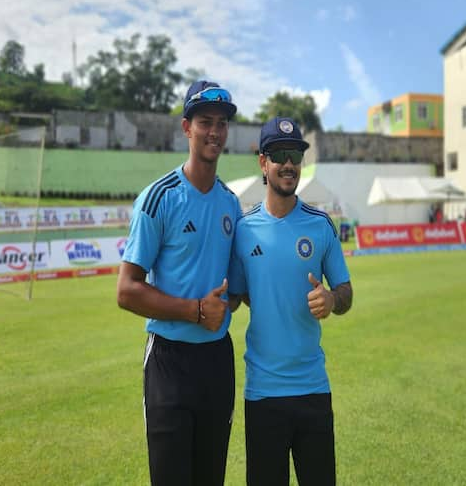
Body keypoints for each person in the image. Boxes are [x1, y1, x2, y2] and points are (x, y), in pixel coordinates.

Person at [116, 80, 241, 486]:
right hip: (170, 362)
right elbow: (127, 290)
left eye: (222, 124)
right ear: (186, 128)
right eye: (205, 122)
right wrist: (195, 311)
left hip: (217, 361)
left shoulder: (230, 203)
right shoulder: (159, 197)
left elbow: (234, 289)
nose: (215, 132)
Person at [228, 117, 354, 486]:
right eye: (279, 155)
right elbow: (240, 294)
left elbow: (346, 292)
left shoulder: (320, 225)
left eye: (296, 156)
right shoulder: (244, 230)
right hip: (263, 392)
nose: (289, 164)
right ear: (263, 163)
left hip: (314, 388)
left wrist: (331, 299)